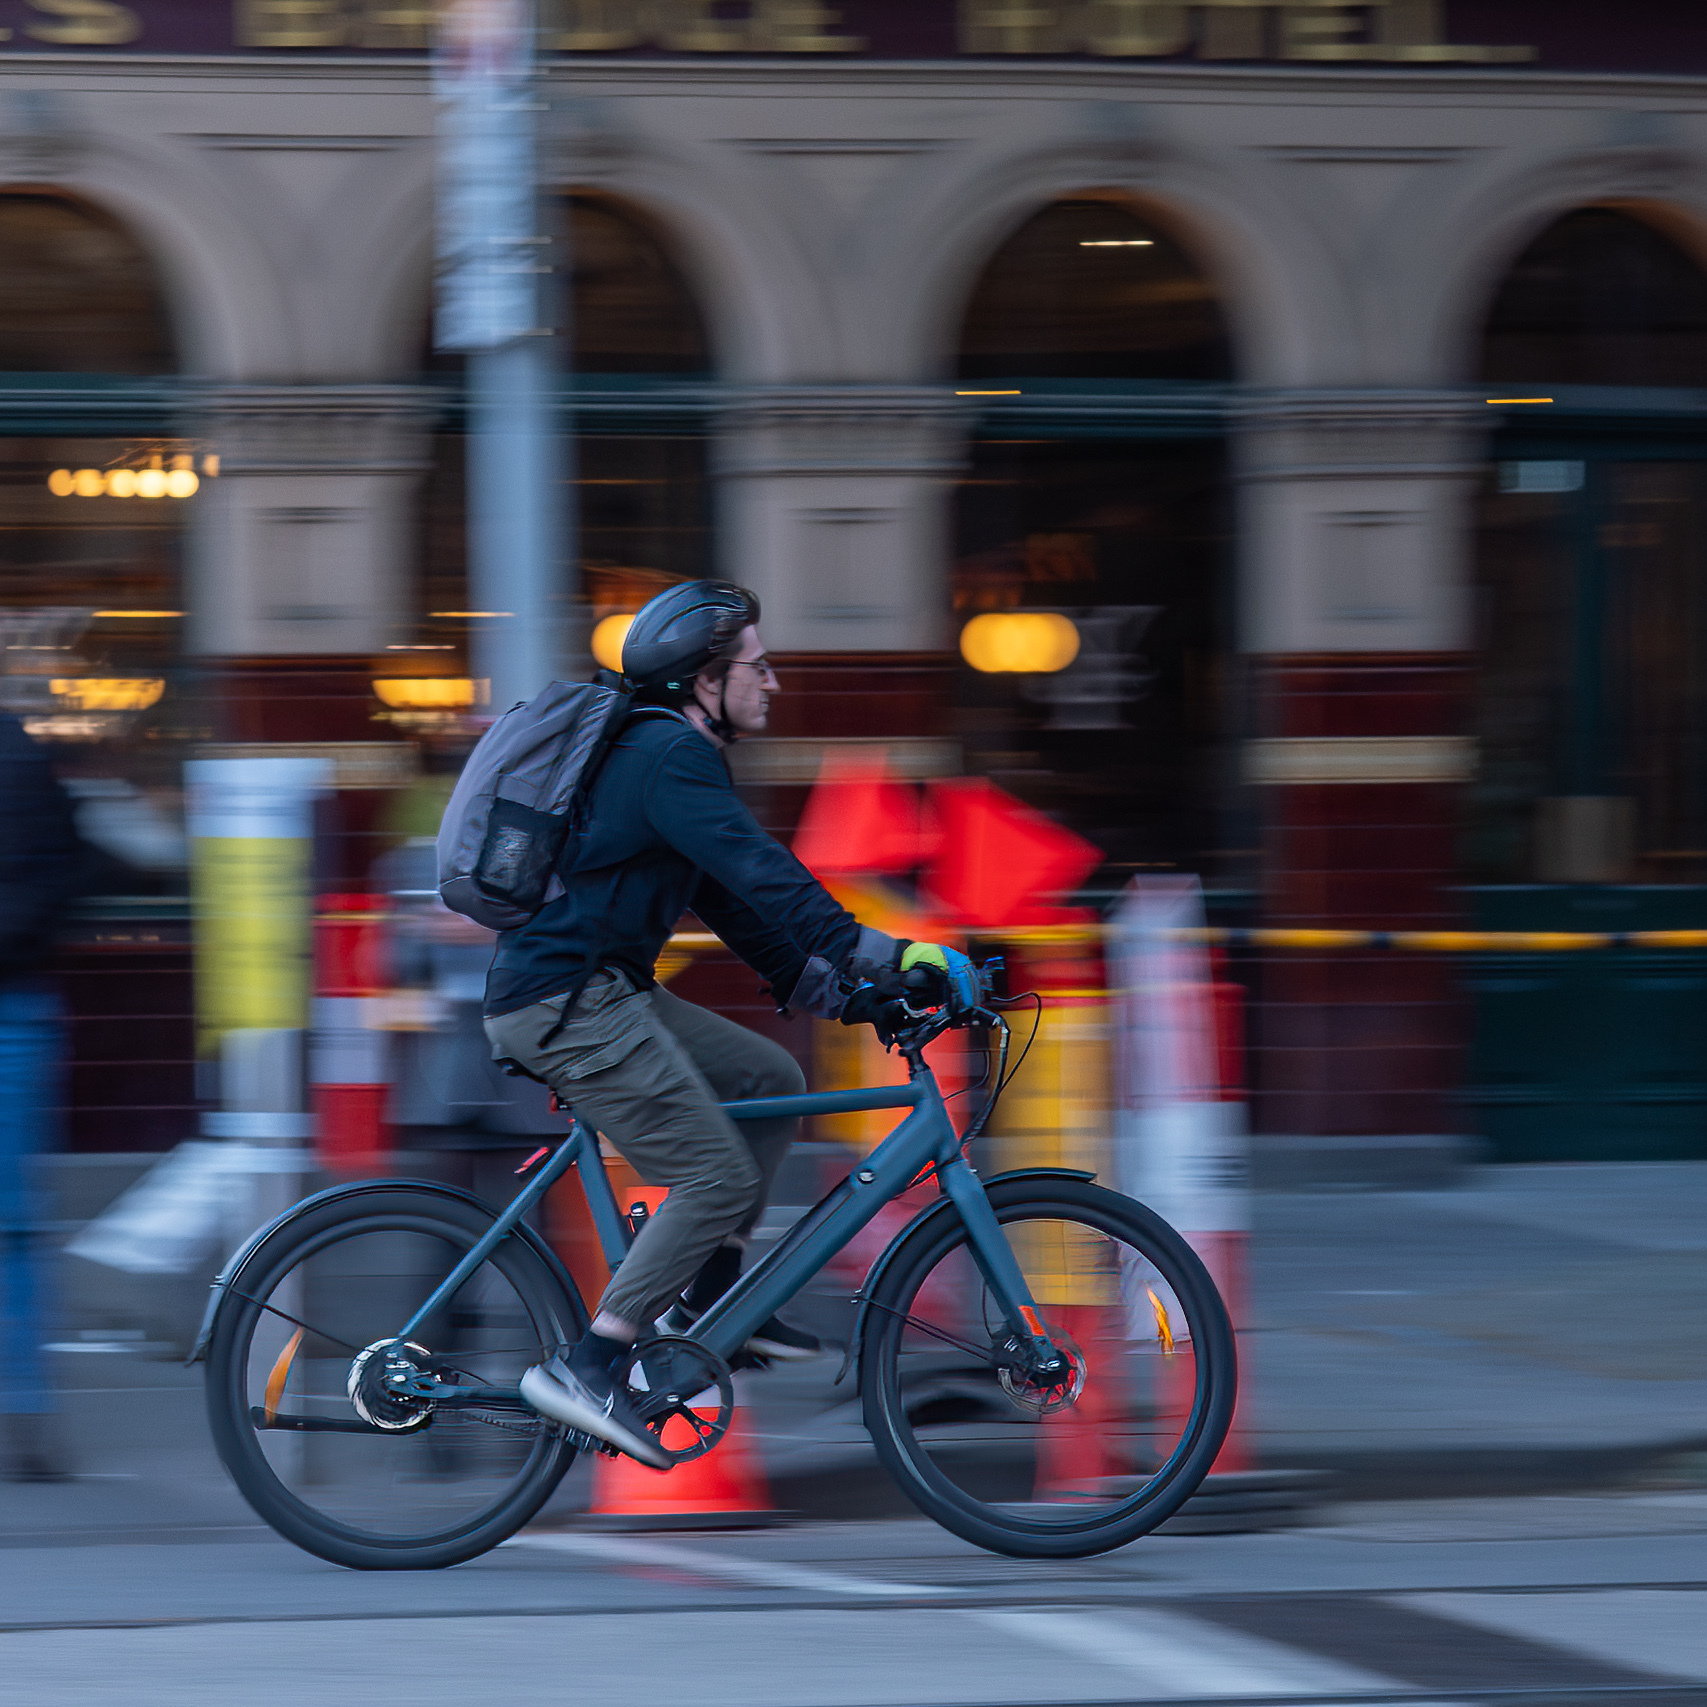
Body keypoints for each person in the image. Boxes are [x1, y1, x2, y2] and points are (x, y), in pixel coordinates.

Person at [483, 581, 970, 1466]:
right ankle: (591, 1363)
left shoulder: (669, 757)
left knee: (768, 1080)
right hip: (566, 1001)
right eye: (759, 664)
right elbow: (766, 868)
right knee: (709, 1172)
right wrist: (882, 952)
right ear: (707, 679)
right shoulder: (668, 754)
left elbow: (741, 908)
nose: (773, 682)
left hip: (603, 990)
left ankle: (707, 1303)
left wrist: (848, 995)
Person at [0, 711, 84, 1482]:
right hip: (20, 1004)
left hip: (13, 1007)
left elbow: (53, 878)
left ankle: (23, 1410)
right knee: (17, 1225)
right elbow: (66, 873)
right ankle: (24, 1412)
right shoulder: (24, 757)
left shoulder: (17, 760)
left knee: (15, 1224)